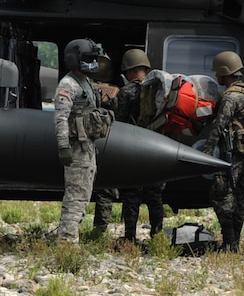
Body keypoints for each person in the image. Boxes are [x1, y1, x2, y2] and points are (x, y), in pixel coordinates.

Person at [201, 51, 244, 253]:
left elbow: (219, 126)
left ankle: (228, 242)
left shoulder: (230, 97)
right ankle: (235, 242)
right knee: (241, 196)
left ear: (225, 72)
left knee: (221, 195)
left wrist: (206, 152)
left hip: (231, 154)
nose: (216, 76)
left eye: (218, 72)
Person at [54, 38, 108, 243]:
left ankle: (69, 238)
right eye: (88, 59)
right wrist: (63, 147)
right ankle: (67, 242)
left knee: (83, 195)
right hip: (76, 149)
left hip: (87, 147)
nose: (92, 63)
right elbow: (60, 117)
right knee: (75, 197)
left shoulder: (85, 82)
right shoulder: (68, 85)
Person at [116, 48, 165, 242]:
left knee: (131, 195)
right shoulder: (159, 90)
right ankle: (157, 236)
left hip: (134, 149)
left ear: (128, 70)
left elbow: (119, 123)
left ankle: (130, 238)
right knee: (155, 196)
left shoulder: (126, 92)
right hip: (157, 148)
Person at [91, 54, 120, 234]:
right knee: (106, 190)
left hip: (91, 142)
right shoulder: (116, 93)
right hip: (111, 143)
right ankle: (99, 230)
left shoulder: (85, 89)